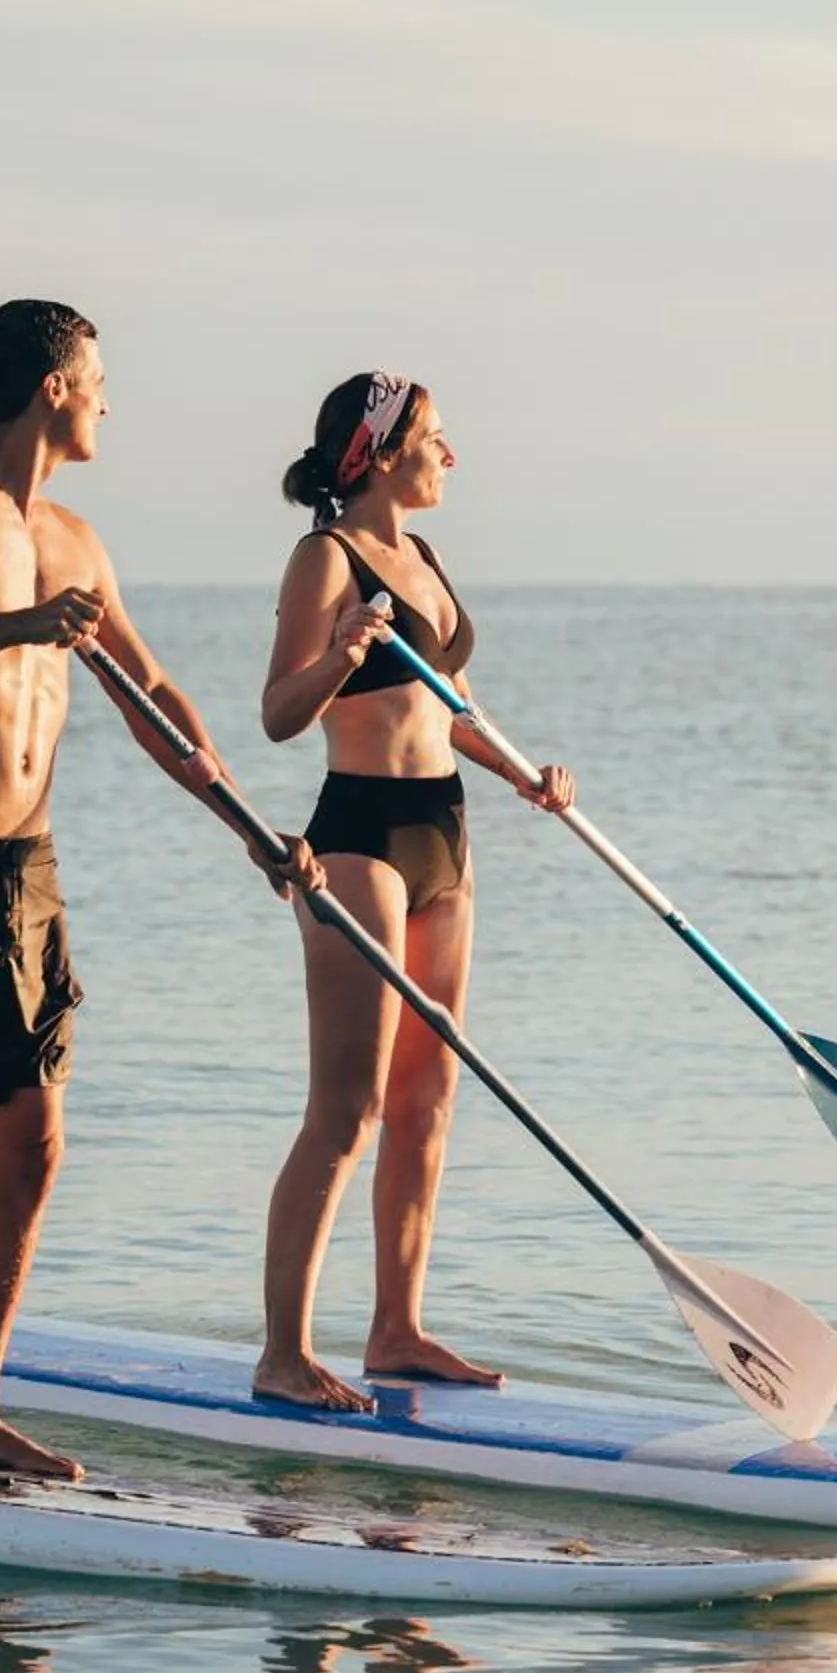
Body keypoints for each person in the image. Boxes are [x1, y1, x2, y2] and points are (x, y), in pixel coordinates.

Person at [0, 298, 313, 1491]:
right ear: (52, 388)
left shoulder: (78, 537)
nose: (107, 401)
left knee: (29, 1147)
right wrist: (21, 622)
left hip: (24, 869)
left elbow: (150, 693)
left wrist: (247, 828)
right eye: (97, 381)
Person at [257, 372, 574, 1412]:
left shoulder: (425, 561)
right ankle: (284, 1353)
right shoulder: (326, 559)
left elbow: (453, 713)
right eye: (436, 438)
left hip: (446, 836)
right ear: (382, 452)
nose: (451, 456)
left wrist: (524, 772)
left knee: (427, 1104)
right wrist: (342, 653)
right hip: (360, 839)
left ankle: (394, 1330)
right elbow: (276, 712)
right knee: (345, 1110)